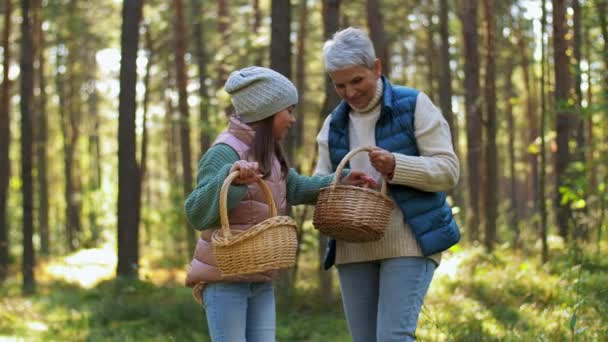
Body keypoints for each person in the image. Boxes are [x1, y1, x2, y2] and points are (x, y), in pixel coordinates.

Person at [184, 66, 374, 342]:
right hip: (224, 279)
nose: (292, 119)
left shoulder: (268, 151)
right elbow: (196, 211)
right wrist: (233, 182)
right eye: (289, 110)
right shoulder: (225, 151)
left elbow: (293, 187)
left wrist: (340, 180)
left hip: (259, 278)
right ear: (267, 112)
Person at [314, 27, 461, 341]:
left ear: (376, 68)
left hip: (409, 238)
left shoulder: (414, 105)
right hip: (352, 246)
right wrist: (339, 181)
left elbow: (448, 170)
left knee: (393, 337)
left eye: (357, 81)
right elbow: (319, 182)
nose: (350, 93)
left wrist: (397, 165)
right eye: (340, 85)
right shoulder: (333, 124)